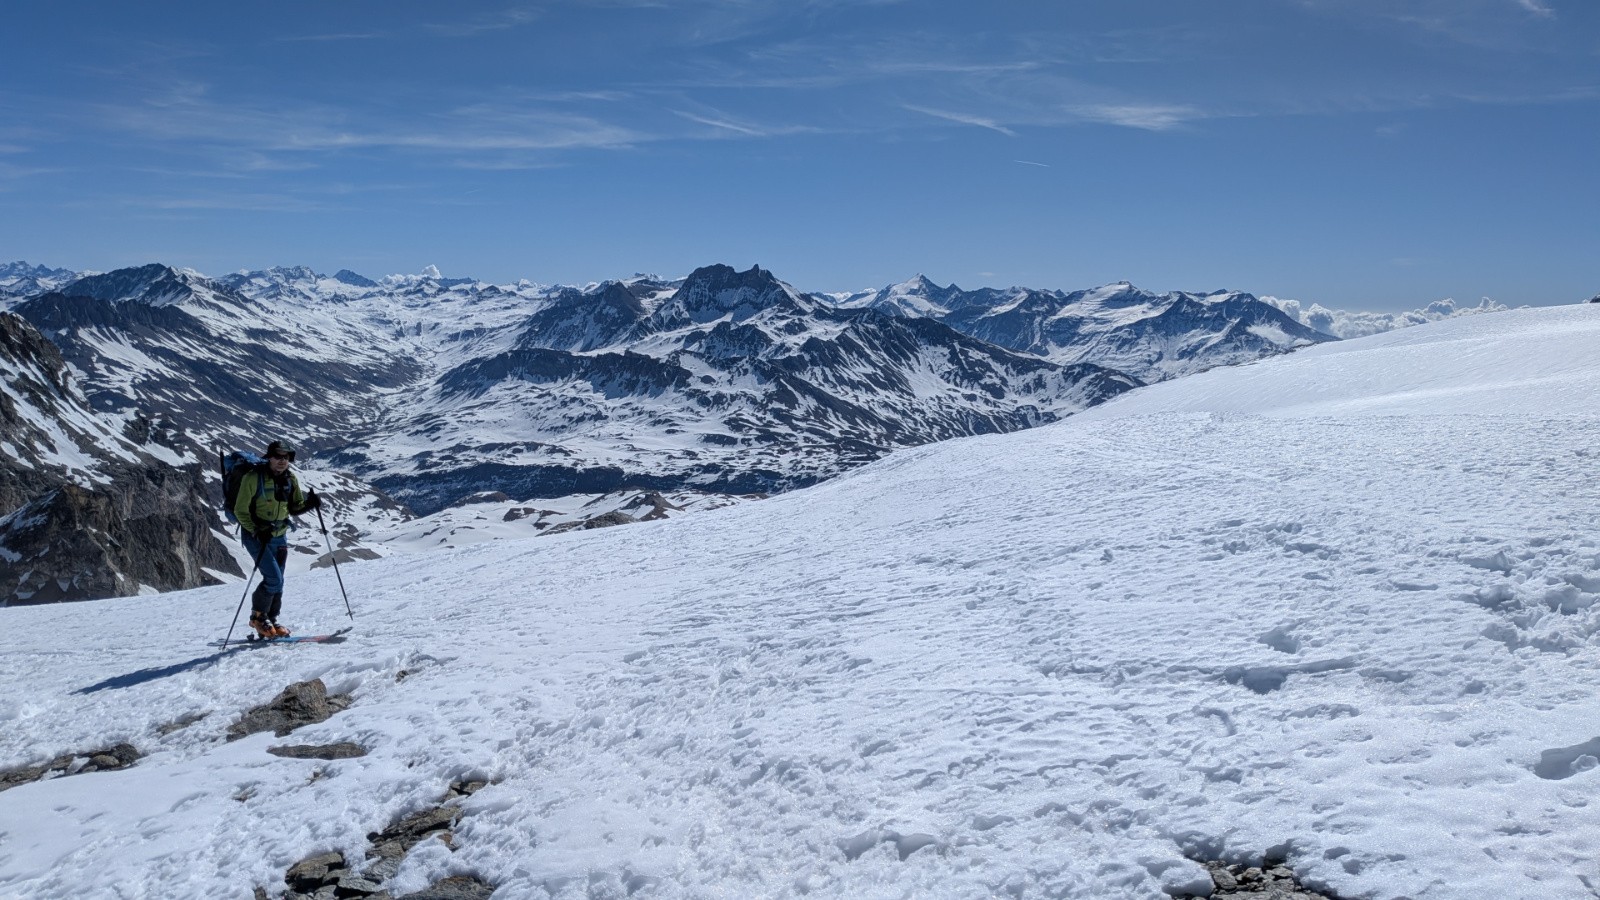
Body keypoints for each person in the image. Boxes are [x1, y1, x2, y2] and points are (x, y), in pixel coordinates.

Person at [234, 439, 321, 638]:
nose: (282, 461)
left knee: (278, 581)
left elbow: (294, 506)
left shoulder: (290, 478)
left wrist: (310, 504)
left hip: (279, 536)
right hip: (257, 537)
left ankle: (271, 620)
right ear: (269, 457)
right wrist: (255, 529)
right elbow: (240, 510)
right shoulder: (252, 478)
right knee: (273, 578)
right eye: (278, 456)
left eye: (286, 457)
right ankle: (258, 618)